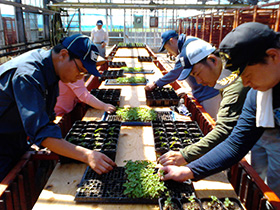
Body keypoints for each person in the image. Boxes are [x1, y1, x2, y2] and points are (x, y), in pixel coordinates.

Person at [159, 22, 280, 197]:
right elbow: (235, 144)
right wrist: (188, 171)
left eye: (247, 75)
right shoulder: (257, 95)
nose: (245, 84)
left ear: (273, 57)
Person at [0, 34, 116, 181]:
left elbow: (46, 120)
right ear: (63, 54)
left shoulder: (52, 70)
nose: (81, 77)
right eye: (80, 70)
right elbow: (41, 131)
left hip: (15, 137)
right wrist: (87, 155)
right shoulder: (28, 75)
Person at [158, 37, 250, 166]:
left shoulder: (234, 82)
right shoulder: (225, 75)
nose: (199, 82)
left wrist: (184, 155)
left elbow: (224, 130)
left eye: (198, 73)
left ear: (212, 60)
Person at [145, 30, 222, 120]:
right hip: (202, 93)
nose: (169, 53)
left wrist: (155, 84)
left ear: (171, 41)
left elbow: (175, 73)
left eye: (167, 48)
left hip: (209, 95)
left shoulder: (188, 49)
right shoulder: (187, 44)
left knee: (209, 121)